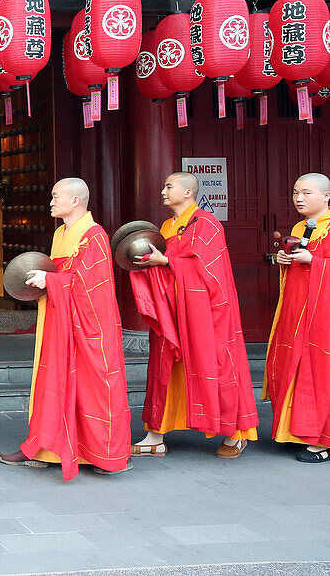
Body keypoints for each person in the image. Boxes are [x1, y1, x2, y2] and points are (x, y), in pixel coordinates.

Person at [0, 178, 131, 480]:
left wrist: (52, 281)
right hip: (59, 319)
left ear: (75, 201)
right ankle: (44, 447)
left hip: (88, 326)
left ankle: (101, 453)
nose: (51, 201)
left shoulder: (94, 236)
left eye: (56, 196)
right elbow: (62, 275)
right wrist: (42, 280)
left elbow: (92, 286)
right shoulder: (61, 233)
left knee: (91, 385)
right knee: (51, 382)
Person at [129, 172, 258, 458]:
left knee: (216, 365)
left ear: (187, 193)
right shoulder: (165, 226)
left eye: (169, 186)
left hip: (204, 311)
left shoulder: (207, 223)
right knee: (164, 368)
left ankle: (235, 432)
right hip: (171, 309)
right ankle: (155, 435)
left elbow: (211, 272)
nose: (163, 191)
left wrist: (167, 261)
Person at [263, 172, 330, 463]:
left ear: (327, 196)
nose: (299, 199)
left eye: (306, 193)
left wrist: (314, 261)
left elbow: (316, 264)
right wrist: (284, 262)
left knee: (319, 372)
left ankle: (321, 441)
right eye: (295, 193)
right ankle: (296, 432)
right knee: (295, 365)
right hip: (297, 311)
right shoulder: (301, 227)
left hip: (322, 315)